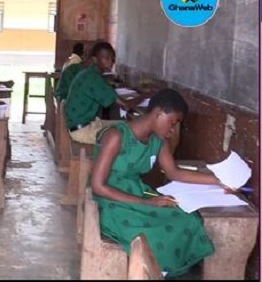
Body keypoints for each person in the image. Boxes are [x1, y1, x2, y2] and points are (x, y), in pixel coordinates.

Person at [89, 88, 231, 277]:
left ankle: (162, 270)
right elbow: (98, 186)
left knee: (186, 217)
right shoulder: (116, 136)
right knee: (150, 234)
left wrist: (219, 180)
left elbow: (174, 172)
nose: (172, 130)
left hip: (139, 192)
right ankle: (156, 271)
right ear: (158, 114)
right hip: (110, 200)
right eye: (172, 123)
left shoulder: (158, 141)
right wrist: (146, 202)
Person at [63, 41, 144, 144]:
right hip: (83, 131)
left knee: (127, 125)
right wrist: (146, 95)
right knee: (132, 133)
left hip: (87, 124)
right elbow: (126, 105)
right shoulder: (94, 78)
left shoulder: (89, 73)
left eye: (112, 58)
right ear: (95, 59)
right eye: (106, 58)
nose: (110, 62)